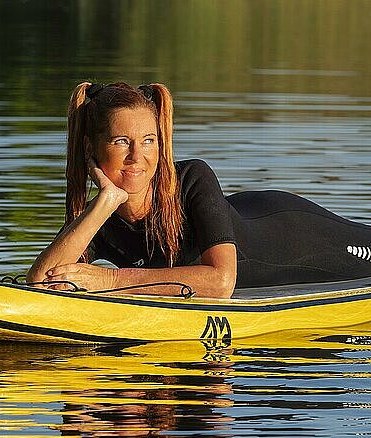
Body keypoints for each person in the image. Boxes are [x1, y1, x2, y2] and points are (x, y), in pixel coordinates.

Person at [26, 82, 371, 298]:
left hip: (298, 235)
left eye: (148, 141)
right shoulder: (99, 215)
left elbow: (221, 282)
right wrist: (105, 203)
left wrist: (113, 281)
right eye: (121, 142)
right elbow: (40, 283)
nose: (137, 156)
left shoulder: (191, 179)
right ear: (91, 148)